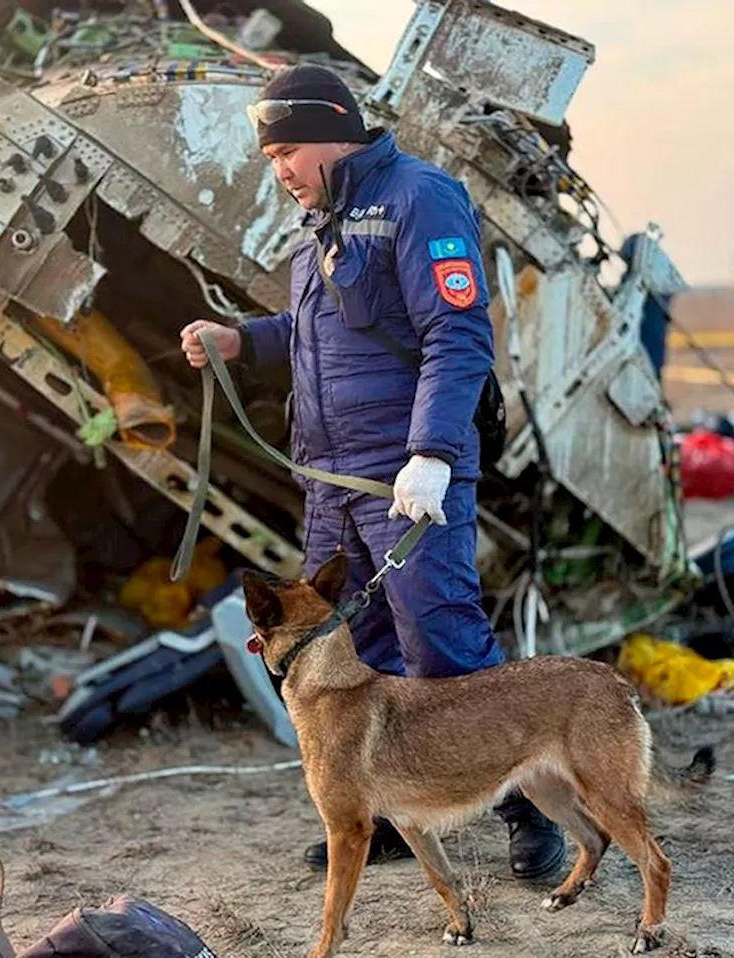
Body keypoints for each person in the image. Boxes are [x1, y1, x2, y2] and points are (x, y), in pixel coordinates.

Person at [180, 65, 565, 881]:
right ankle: (384, 816)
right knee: (357, 652)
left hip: (404, 475)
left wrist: (431, 454)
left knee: (442, 642)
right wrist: (242, 341)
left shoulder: (420, 198)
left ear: (333, 131)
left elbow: (456, 334)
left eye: (287, 150)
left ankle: (527, 812)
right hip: (332, 483)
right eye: (271, 156)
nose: (279, 169)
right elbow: (317, 333)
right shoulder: (319, 223)